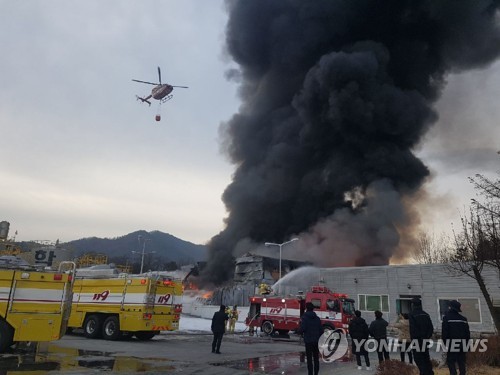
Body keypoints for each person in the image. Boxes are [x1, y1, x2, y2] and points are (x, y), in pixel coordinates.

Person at [442, 300, 470, 375]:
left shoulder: (446, 318)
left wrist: (445, 344)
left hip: (452, 344)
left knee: (451, 361)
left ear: (450, 308)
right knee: (461, 362)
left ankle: (453, 373)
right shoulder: (463, 319)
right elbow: (467, 334)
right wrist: (467, 345)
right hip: (462, 344)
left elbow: (445, 333)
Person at [409, 297, 434, 375]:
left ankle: (423, 373)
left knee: (419, 359)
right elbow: (431, 328)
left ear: (413, 305)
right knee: (426, 358)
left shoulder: (412, 314)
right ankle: (430, 373)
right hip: (425, 340)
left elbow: (413, 329)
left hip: (417, 341)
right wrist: (427, 336)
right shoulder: (426, 314)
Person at [300, 302, 323, 375]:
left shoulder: (304, 318)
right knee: (316, 359)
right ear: (313, 309)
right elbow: (321, 331)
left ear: (307, 308)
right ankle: (316, 373)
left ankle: (310, 373)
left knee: (309, 359)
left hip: (308, 341)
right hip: (316, 341)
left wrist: (298, 330)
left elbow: (303, 329)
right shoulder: (317, 319)